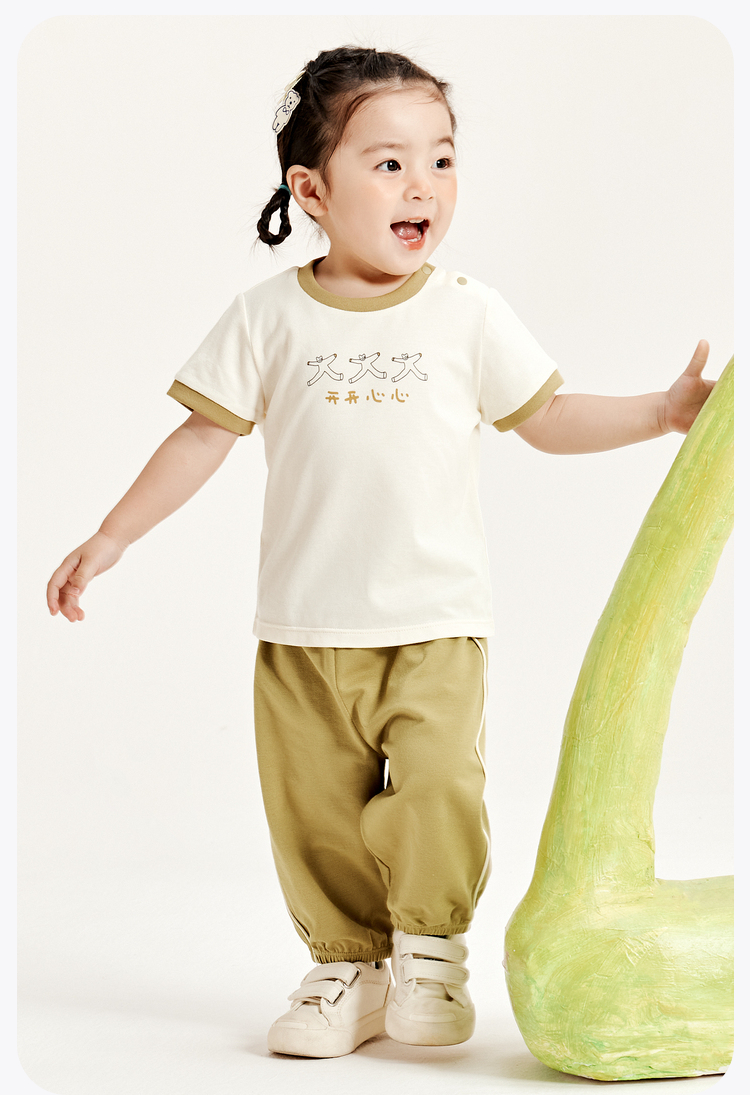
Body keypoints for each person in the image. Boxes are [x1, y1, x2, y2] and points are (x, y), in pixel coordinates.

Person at [46, 45, 716, 1060]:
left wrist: (660, 413)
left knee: (441, 785)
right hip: (303, 632)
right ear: (312, 190)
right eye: (390, 163)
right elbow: (202, 437)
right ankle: (349, 965)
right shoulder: (267, 317)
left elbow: (549, 417)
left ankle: (432, 949)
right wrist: (111, 536)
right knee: (313, 812)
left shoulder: (467, 312)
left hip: (435, 624)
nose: (424, 186)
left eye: (442, 160)